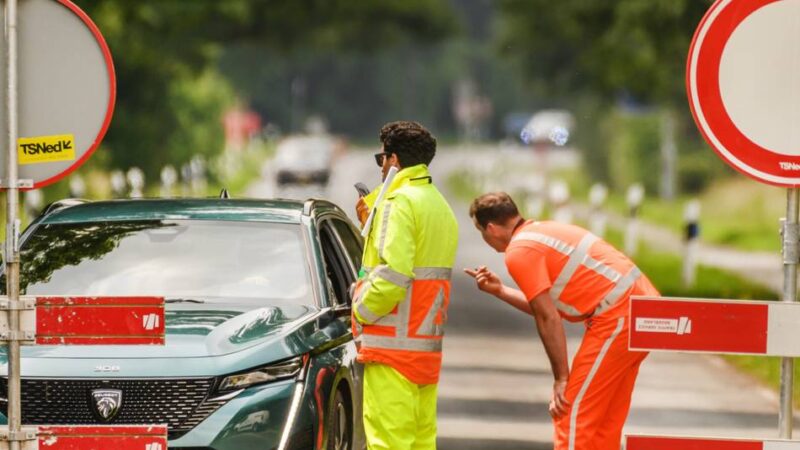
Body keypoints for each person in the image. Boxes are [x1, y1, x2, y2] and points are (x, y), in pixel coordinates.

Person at [464, 192, 657, 450]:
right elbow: (545, 307)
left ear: (491, 228)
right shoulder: (542, 231)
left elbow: (548, 317)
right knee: (604, 420)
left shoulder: (519, 251)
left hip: (618, 314)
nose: (485, 239)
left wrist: (561, 379)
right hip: (643, 309)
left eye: (481, 232)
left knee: (570, 410)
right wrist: (500, 291)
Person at [351, 121, 458, 450]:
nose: (380, 167)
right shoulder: (438, 205)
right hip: (424, 351)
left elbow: (393, 275)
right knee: (420, 443)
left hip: (391, 352)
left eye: (380, 159)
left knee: (387, 443)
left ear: (393, 159)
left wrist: (360, 310)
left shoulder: (398, 203)